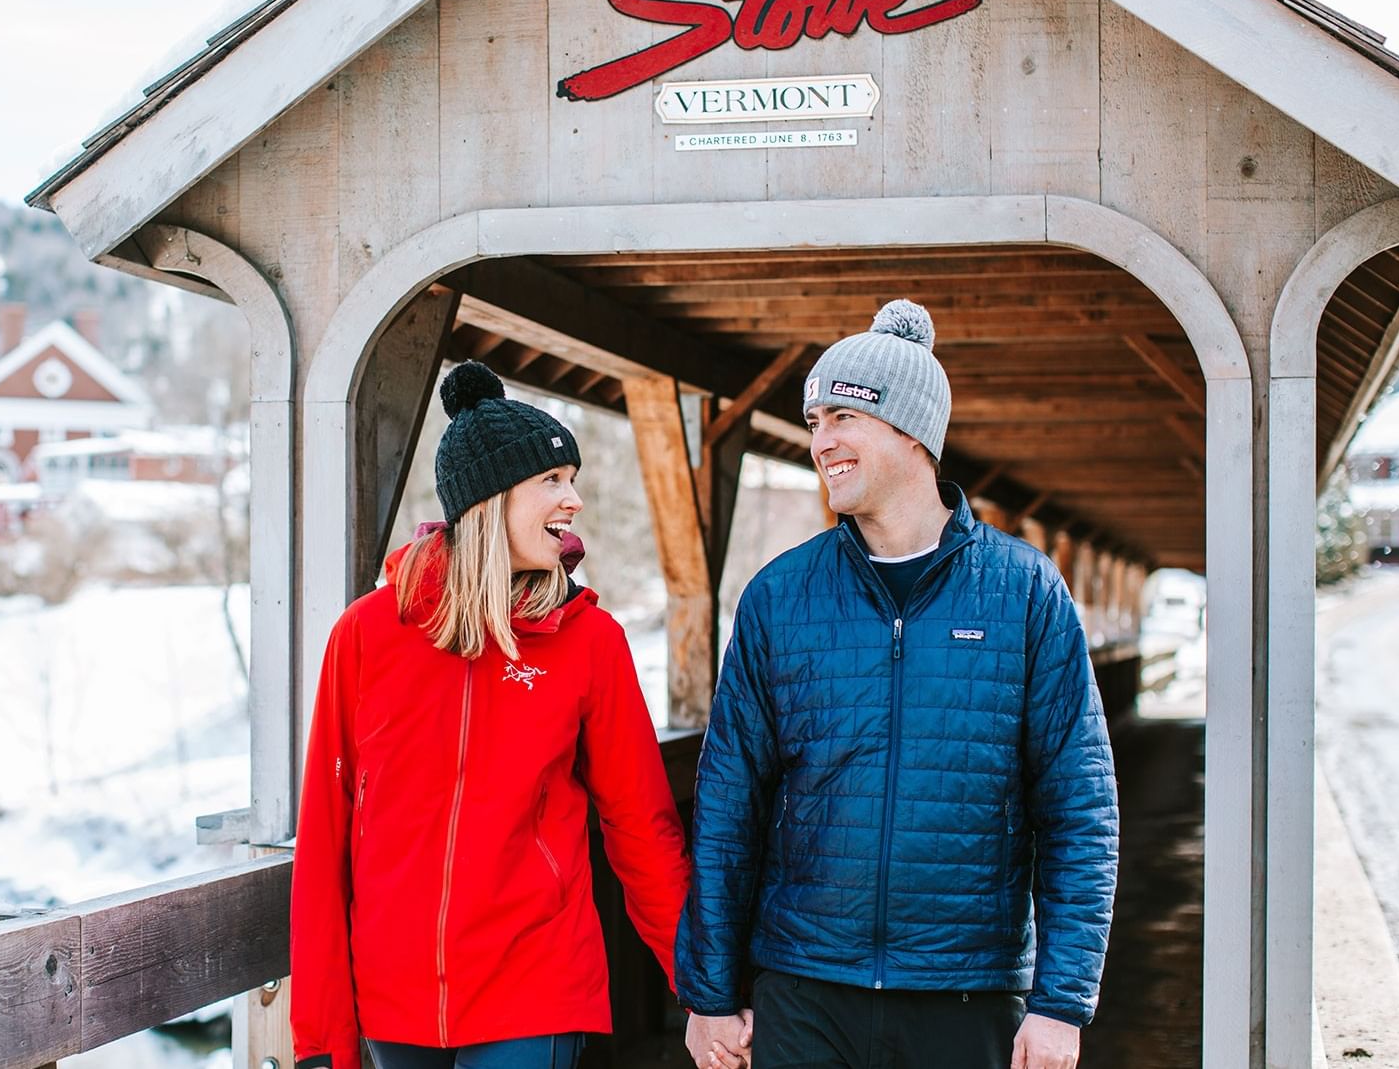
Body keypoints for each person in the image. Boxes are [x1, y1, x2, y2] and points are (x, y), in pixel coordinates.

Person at [676, 301, 1120, 1069]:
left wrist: (1061, 1001)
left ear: (912, 430)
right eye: (815, 421)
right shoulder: (780, 598)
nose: (822, 442)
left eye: (842, 415)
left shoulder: (1023, 593)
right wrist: (709, 992)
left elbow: (1079, 806)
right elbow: (727, 806)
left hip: (966, 992)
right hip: (806, 987)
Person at [292, 361, 692, 1069]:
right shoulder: (365, 635)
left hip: (533, 990)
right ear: (488, 499)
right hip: (392, 1000)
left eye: (571, 480)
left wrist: (702, 987)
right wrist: (322, 1039)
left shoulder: (588, 641)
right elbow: (326, 838)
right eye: (551, 480)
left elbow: (641, 826)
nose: (572, 499)